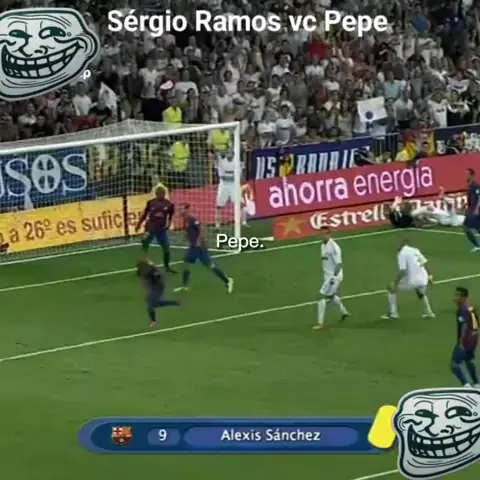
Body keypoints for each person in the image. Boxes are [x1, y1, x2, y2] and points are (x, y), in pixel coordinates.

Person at [174, 204, 233, 293]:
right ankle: (184, 286)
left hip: (200, 248)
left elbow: (201, 229)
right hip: (193, 247)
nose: (180, 211)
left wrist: (198, 241)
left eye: (181, 209)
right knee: (185, 263)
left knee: (210, 266)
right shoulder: (185, 220)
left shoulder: (192, 219)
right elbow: (187, 232)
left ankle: (228, 281)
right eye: (179, 209)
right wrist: (185, 239)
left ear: (187, 210)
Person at [382, 238, 435, 320]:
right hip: (424, 279)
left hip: (413, 281)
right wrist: (430, 275)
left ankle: (393, 314)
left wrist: (395, 283)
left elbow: (402, 271)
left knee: (390, 288)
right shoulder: (415, 250)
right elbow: (425, 262)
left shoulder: (402, 254)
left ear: (402, 244)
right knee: (420, 291)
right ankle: (429, 313)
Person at [314, 226, 349, 331]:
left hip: (334, 277)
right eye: (321, 233)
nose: (323, 235)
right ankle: (344, 312)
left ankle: (320, 323)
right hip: (328, 276)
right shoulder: (322, 245)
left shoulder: (333, 247)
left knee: (321, 297)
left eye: (325, 233)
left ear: (329, 234)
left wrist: (333, 278)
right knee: (331, 296)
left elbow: (339, 264)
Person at [135, 186, 176, 273]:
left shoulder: (169, 204)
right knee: (145, 244)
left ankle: (167, 267)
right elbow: (145, 214)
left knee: (166, 247)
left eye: (163, 193)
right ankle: (141, 266)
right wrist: (139, 224)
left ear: (164, 194)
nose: (161, 195)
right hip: (150, 228)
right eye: (159, 193)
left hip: (161, 229)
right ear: (156, 194)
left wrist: (168, 225)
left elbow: (170, 216)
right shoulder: (151, 202)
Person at [136, 256, 181, 328]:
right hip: (154, 287)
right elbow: (143, 279)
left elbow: (157, 277)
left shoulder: (151, 270)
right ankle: (175, 303)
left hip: (158, 287)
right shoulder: (144, 270)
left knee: (151, 305)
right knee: (153, 304)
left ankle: (153, 321)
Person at [451, 286, 479, 388]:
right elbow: (477, 320)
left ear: (463, 297)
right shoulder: (471, 306)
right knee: (468, 360)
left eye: (457, 295)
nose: (455, 297)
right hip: (474, 337)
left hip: (466, 340)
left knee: (454, 364)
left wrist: (461, 342)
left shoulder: (461, 310)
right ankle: (476, 383)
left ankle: (466, 385)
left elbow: (464, 325)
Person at [463, 168, 480, 252]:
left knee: (466, 227)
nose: (465, 176)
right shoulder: (470, 185)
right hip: (471, 210)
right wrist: (467, 205)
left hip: (475, 210)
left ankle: (476, 246)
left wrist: (476, 209)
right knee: (477, 228)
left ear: (472, 175)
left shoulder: (475, 185)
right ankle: (476, 246)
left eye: (467, 174)